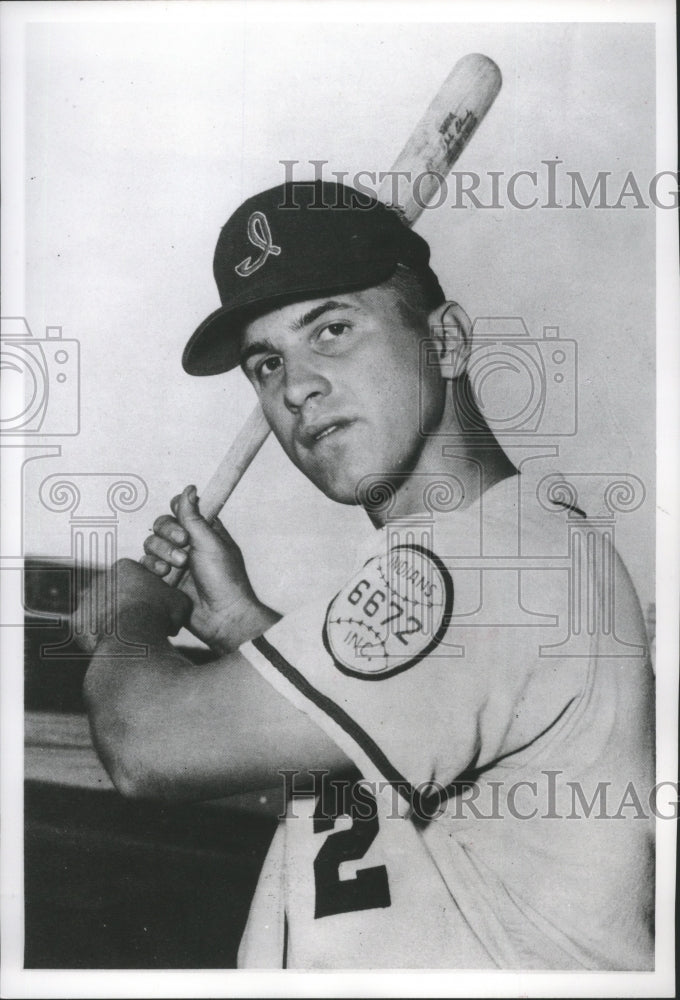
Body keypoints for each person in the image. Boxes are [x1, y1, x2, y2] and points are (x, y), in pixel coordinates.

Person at [81, 181, 654, 970]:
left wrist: (125, 617)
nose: (296, 387)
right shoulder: (502, 550)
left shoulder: (482, 562)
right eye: (266, 362)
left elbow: (144, 746)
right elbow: (386, 751)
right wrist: (238, 623)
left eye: (334, 329)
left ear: (446, 340)